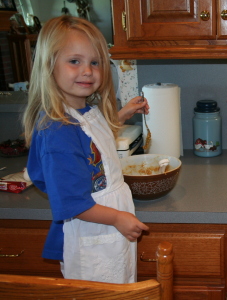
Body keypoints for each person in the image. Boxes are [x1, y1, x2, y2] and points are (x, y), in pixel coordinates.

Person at [22, 15, 149, 284]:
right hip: (92, 231)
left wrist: (122, 114)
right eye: (74, 61)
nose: (88, 71)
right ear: (49, 66)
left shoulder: (83, 111)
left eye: (95, 62)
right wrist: (117, 218)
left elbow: (91, 137)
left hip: (107, 227)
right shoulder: (58, 131)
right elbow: (71, 202)